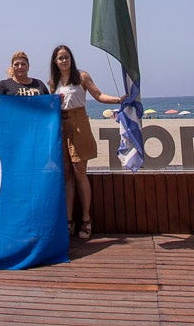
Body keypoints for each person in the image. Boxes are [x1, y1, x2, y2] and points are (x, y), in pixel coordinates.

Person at [50, 44, 120, 240]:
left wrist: (118, 100)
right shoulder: (53, 81)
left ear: (71, 59)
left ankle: (86, 219)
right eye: (60, 58)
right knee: (66, 174)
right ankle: (68, 220)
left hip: (79, 123)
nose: (64, 60)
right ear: (55, 62)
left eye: (66, 57)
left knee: (80, 172)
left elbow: (98, 95)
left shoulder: (82, 77)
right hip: (60, 126)